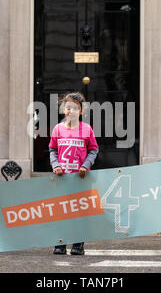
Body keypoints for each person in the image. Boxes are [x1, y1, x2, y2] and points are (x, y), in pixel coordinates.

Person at [49, 92, 99, 255]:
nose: (70, 111)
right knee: (61, 212)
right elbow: (53, 150)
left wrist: (85, 165)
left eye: (75, 108)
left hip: (80, 179)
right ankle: (60, 243)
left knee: (79, 212)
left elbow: (93, 150)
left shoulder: (86, 129)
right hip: (62, 179)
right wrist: (55, 165)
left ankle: (78, 244)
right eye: (67, 107)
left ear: (81, 111)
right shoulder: (58, 129)